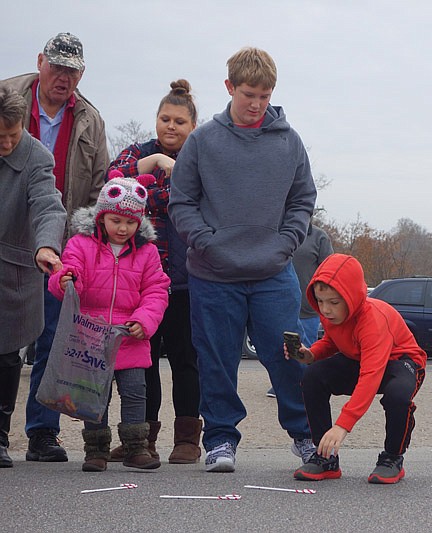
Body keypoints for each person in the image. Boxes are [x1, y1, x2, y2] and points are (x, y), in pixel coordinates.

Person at [168, 47, 316, 473]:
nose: (256, 103)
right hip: (213, 274)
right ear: (229, 87)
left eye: (265, 95)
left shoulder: (290, 141)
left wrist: (288, 240)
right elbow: (182, 201)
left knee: (288, 356)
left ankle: (305, 435)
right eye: (249, 93)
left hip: (273, 272)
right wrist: (205, 242)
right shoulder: (202, 141)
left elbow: (303, 198)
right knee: (215, 360)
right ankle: (219, 441)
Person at [1, 32, 109, 462]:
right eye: (57, 66)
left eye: (72, 70)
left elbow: (95, 185)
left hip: (56, 246)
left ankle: (41, 432)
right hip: (10, 231)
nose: (63, 77)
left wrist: (79, 241)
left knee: (50, 339)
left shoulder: (90, 118)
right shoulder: (7, 93)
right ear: (40, 61)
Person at [48, 170, 170, 471]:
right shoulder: (81, 244)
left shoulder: (148, 252)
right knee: (92, 395)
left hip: (129, 335)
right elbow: (69, 270)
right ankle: (96, 449)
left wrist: (145, 320)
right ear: (101, 215)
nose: (123, 228)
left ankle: (136, 447)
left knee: (134, 392)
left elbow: (156, 290)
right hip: (90, 336)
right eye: (116, 220)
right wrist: (65, 281)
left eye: (130, 222)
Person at [107, 80, 201, 464]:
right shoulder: (138, 153)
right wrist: (160, 162)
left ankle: (187, 439)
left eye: (180, 121)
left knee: (185, 360)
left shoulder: (200, 157)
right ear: (156, 120)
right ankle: (141, 438)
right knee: (142, 362)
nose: (172, 126)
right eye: (165, 118)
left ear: (193, 126)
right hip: (141, 284)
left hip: (186, 281)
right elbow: (115, 183)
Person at [291, 253, 426, 484]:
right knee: (314, 376)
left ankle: (392, 457)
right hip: (360, 357)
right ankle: (326, 459)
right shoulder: (330, 314)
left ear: (352, 297)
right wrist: (311, 354)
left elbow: (370, 375)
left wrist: (342, 426)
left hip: (400, 361)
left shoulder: (373, 320)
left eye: (334, 302)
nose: (325, 310)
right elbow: (334, 341)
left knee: (398, 395)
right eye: (320, 301)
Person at [0, 88, 67, 468]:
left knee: (8, 356)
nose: (8, 143)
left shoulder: (36, 156)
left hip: (13, 270)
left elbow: (47, 204)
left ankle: (0, 438)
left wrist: (46, 246)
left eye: (13, 134)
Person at [267, 222, 334, 398]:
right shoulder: (278, 233)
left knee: (309, 349)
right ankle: (283, 385)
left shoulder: (319, 237)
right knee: (282, 347)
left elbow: (329, 270)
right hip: (282, 304)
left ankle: (308, 386)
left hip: (309, 308)